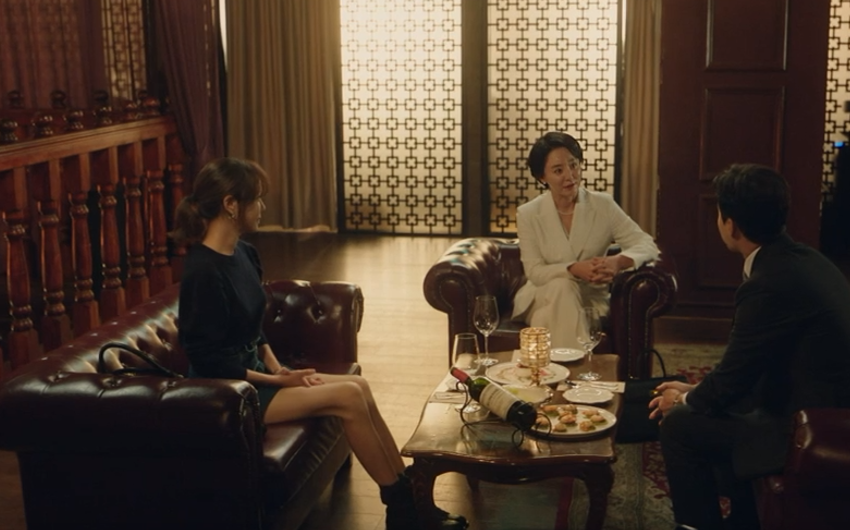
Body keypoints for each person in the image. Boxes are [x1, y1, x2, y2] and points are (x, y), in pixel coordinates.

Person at [171, 158, 467, 530]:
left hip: (257, 376)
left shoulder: (244, 254)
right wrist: (277, 381)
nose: (263, 207)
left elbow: (254, 330)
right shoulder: (202, 270)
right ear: (231, 205)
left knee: (358, 385)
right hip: (227, 393)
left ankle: (413, 501)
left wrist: (279, 368)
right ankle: (402, 508)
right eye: (256, 199)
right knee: (347, 396)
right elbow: (207, 359)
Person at [649, 163, 850, 530]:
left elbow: (734, 378)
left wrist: (684, 400)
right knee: (700, 404)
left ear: (730, 225)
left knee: (679, 426)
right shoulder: (803, 259)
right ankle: (744, 519)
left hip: (810, 425)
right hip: (811, 402)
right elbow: (752, 366)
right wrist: (694, 391)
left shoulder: (769, 282)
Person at [512, 131, 659, 349]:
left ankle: (553, 368)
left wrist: (618, 262)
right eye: (558, 170)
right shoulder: (528, 214)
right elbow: (534, 272)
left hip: (589, 299)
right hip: (542, 296)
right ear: (542, 177)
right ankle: (582, 366)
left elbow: (646, 244)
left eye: (574, 165)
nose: (570, 175)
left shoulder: (603, 205)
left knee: (545, 316)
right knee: (562, 286)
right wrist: (573, 269)